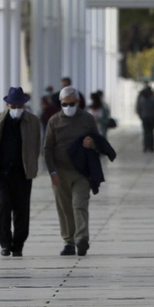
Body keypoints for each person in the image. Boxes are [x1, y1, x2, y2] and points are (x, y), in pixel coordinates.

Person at [44, 84, 103, 256]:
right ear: (60, 103)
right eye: (64, 104)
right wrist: (52, 172)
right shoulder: (54, 121)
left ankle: (82, 238)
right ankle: (68, 241)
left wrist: (92, 144)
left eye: (71, 103)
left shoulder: (87, 119)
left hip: (81, 172)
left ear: (77, 102)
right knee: (64, 208)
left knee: (79, 205)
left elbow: (99, 141)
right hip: (60, 172)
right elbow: (47, 148)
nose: (68, 107)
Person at [0, 86, 40, 256]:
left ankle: (18, 244)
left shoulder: (32, 121)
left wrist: (31, 164)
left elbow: (36, 145)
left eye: (19, 107)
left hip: (23, 173)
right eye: (13, 106)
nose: (16, 110)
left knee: (21, 209)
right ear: (7, 105)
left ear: (24, 106)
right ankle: (4, 242)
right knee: (3, 205)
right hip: (3, 172)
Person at [136, 84, 154, 153]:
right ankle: (150, 147)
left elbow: (138, 109)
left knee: (146, 132)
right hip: (151, 118)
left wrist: (141, 116)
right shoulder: (153, 100)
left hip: (145, 118)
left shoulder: (142, 100)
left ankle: (146, 146)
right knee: (150, 132)